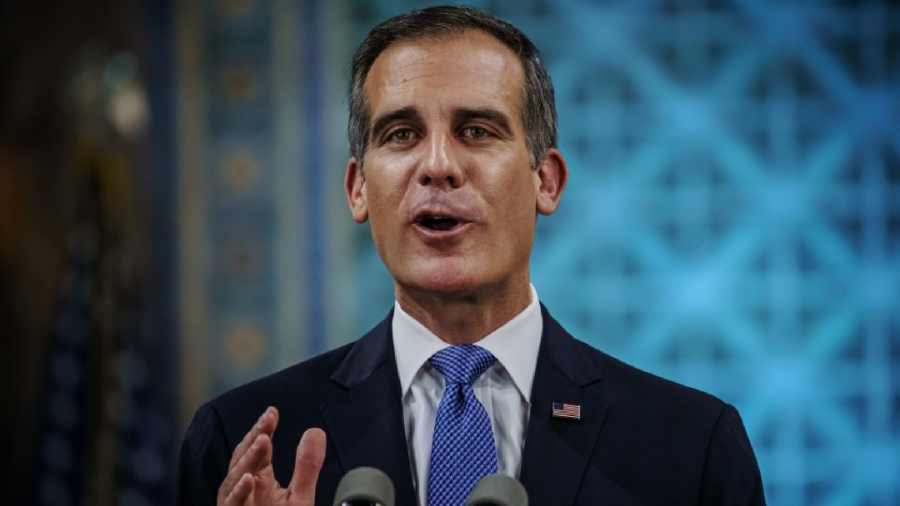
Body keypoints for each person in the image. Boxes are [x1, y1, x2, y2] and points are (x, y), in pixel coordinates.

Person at [176, 6, 765, 506]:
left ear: (547, 181)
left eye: (478, 131)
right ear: (358, 189)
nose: (438, 165)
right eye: (401, 134)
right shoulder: (245, 446)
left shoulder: (690, 447)